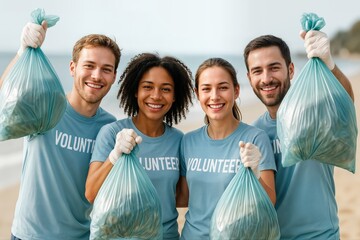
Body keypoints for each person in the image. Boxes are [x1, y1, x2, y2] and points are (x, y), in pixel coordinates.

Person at [0, 21, 121, 240]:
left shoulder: (110, 127)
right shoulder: (45, 106)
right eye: (89, 65)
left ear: (113, 77)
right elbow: (4, 99)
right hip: (29, 235)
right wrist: (22, 52)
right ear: (73, 68)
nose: (96, 75)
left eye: (106, 69)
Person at [243, 30, 354, 239]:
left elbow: (345, 103)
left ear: (291, 69)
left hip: (321, 235)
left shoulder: (314, 112)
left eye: (274, 68)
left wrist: (329, 64)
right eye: (257, 71)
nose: (266, 78)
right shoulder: (255, 133)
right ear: (249, 78)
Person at [85, 52, 194, 239]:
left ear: (175, 96)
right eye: (147, 87)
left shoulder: (178, 140)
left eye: (166, 89)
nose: (156, 96)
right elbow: (91, 193)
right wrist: (115, 155)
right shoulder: (112, 133)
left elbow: (181, 197)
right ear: (136, 91)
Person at [178, 57, 277, 239]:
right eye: (206, 89)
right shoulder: (188, 141)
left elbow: (269, 200)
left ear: (236, 90)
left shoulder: (255, 138)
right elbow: (183, 197)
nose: (214, 96)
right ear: (197, 93)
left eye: (223, 87)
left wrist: (255, 173)